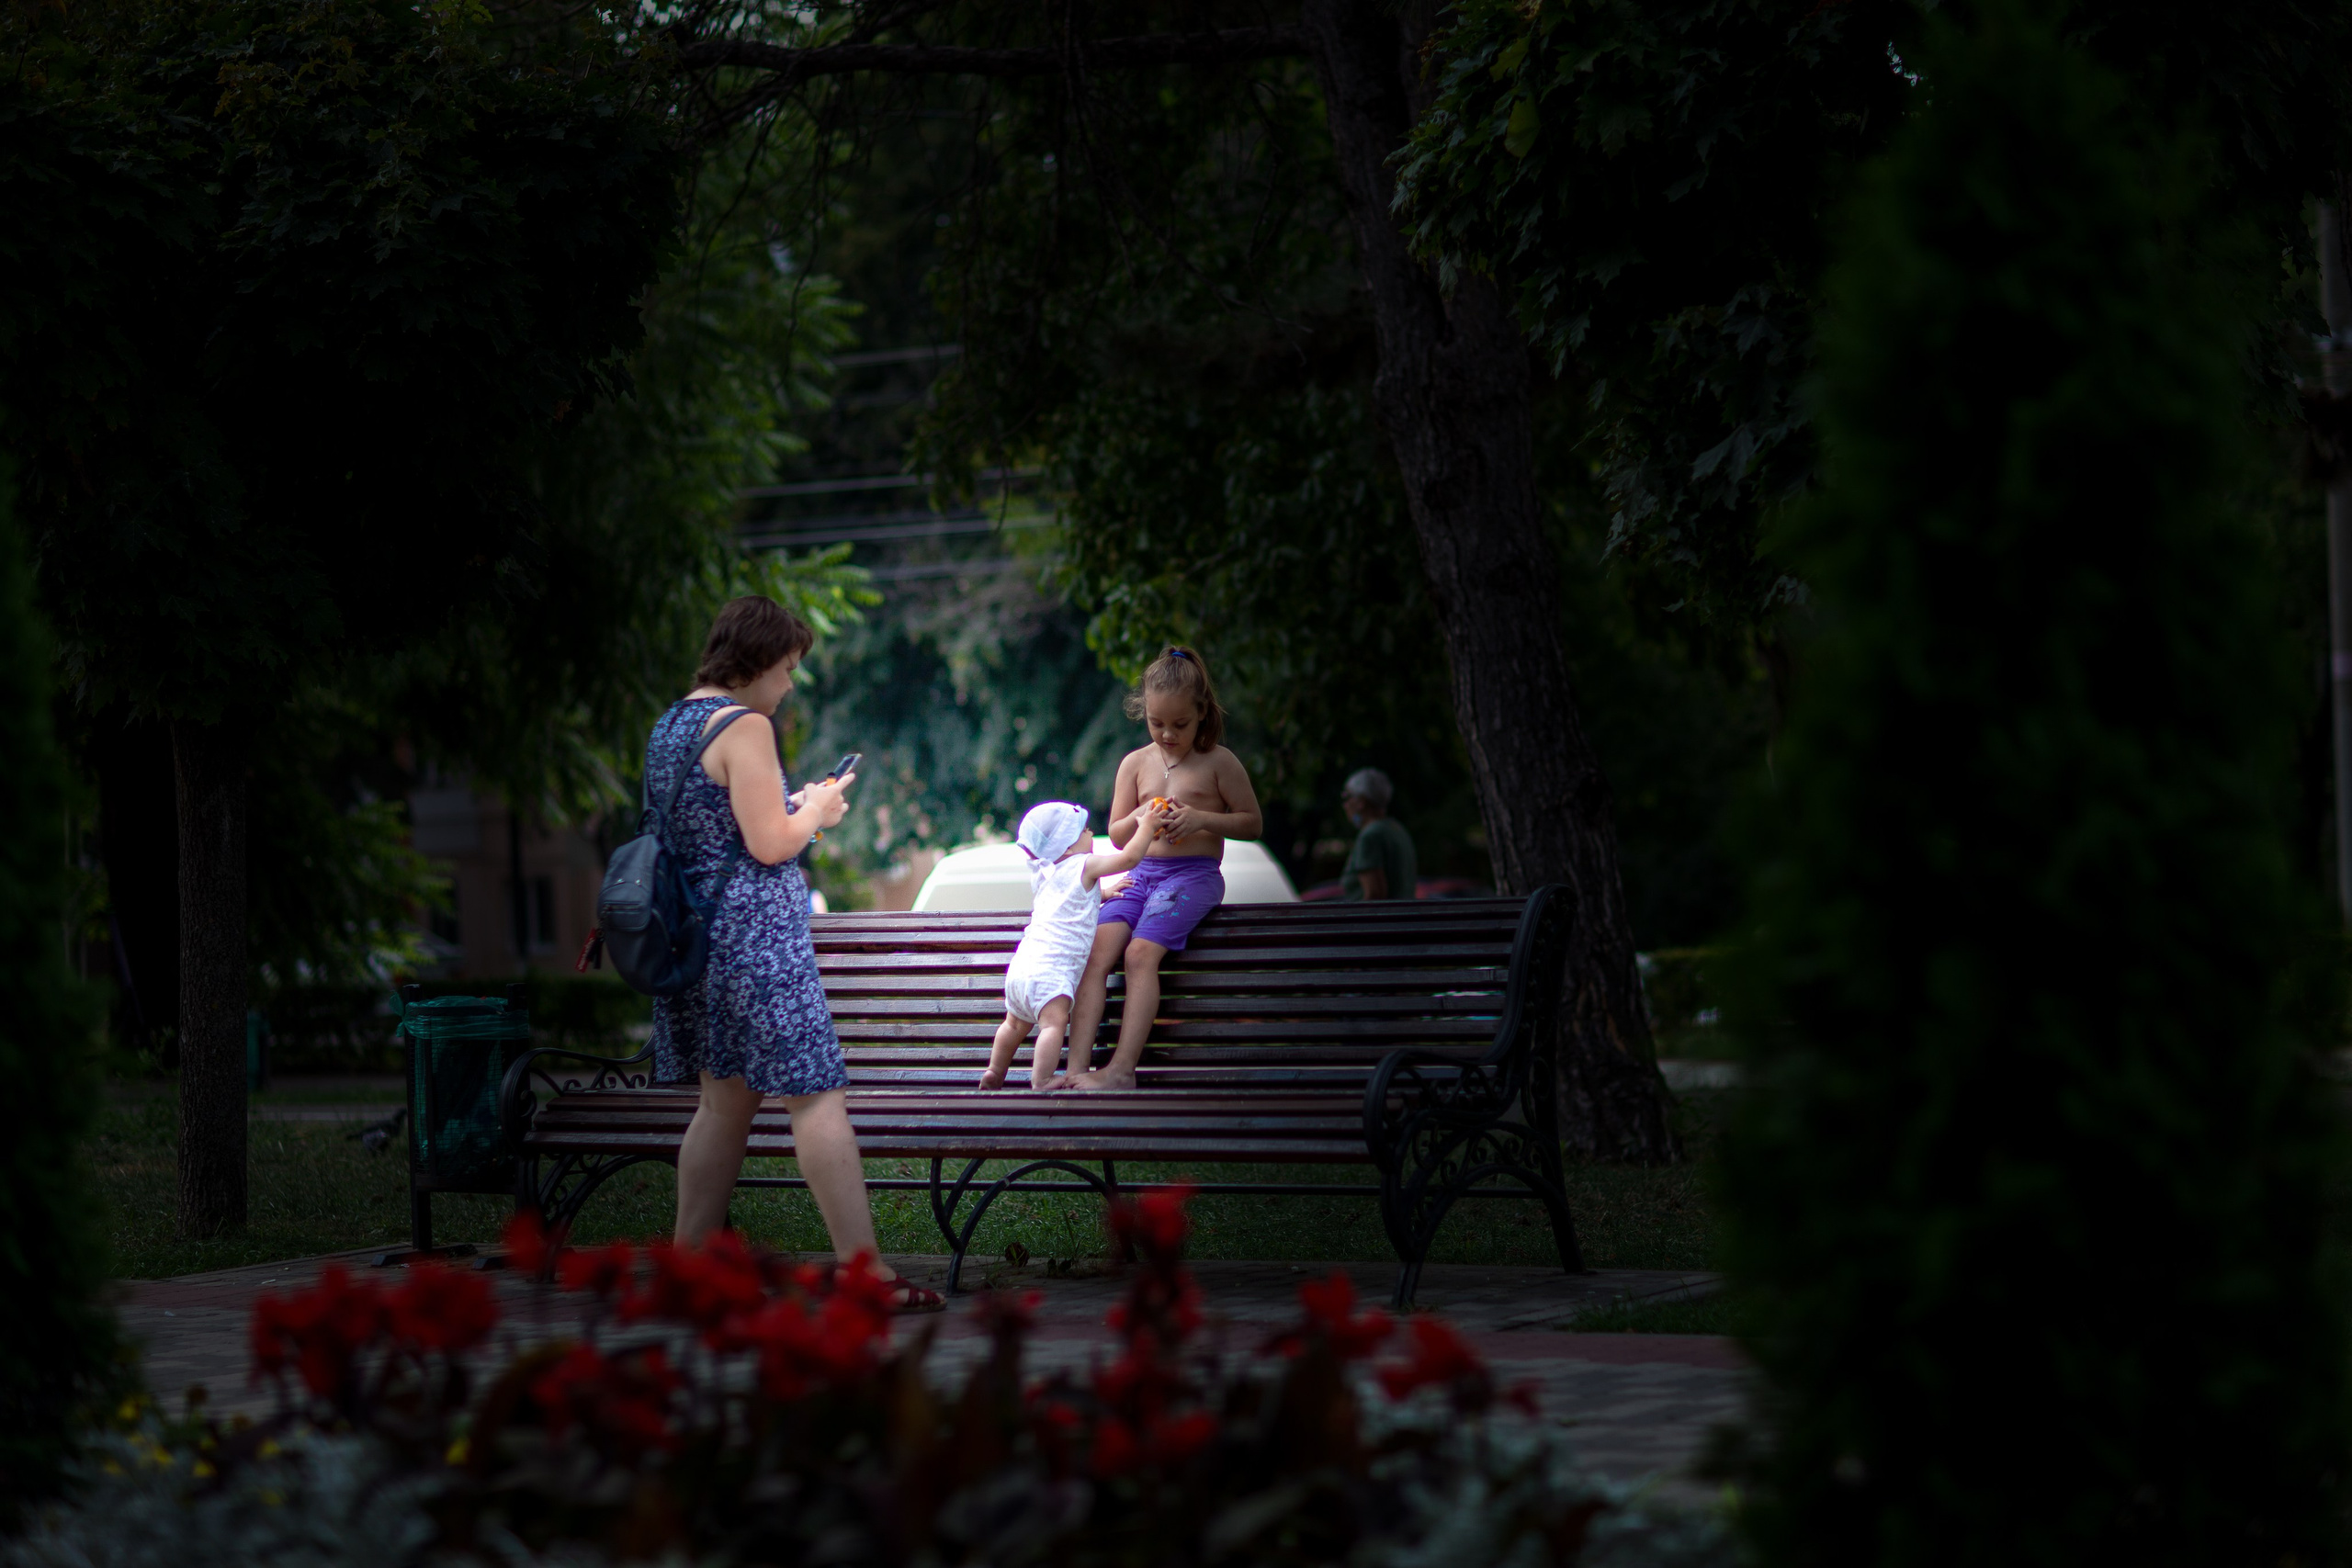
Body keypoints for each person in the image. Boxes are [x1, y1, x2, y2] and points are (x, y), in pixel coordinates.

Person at [647, 594, 942, 1311]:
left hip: (697, 943)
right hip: (758, 946)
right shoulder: (745, 726)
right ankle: (865, 1272)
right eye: (785, 669)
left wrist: (796, 809)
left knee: (722, 1107)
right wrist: (817, 812)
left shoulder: (672, 724)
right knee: (817, 1097)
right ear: (752, 663)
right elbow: (770, 843)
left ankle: (685, 1271)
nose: (788, 686)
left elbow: (721, 832)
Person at [1056, 647, 1263, 1090]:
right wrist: (1142, 818)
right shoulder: (1135, 763)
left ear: (1202, 712)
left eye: (1180, 724)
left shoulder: (1219, 762)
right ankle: (1074, 1073)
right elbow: (1115, 831)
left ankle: (1121, 1071)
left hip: (1192, 877)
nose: (1167, 734)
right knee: (1095, 954)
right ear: (1144, 713)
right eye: (1157, 723)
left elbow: (1252, 822)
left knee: (1139, 954)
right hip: (1139, 875)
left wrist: (1201, 819)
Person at [979, 800, 1154, 1089]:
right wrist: (1146, 826)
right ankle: (1042, 1079)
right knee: (1053, 1025)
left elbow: (1069, 899)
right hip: (1052, 971)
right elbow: (1129, 860)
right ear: (1069, 847)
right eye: (1084, 830)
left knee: (1013, 1025)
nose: (1091, 832)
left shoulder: (1043, 871)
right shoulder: (1084, 864)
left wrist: (1103, 893)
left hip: (1023, 966)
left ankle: (995, 1070)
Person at [1339, 767, 1418, 901]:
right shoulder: (1396, 829)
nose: (1345, 805)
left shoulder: (1370, 836)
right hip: (1404, 918)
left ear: (1361, 802)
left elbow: (1374, 894)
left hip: (1382, 921)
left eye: (1347, 796)